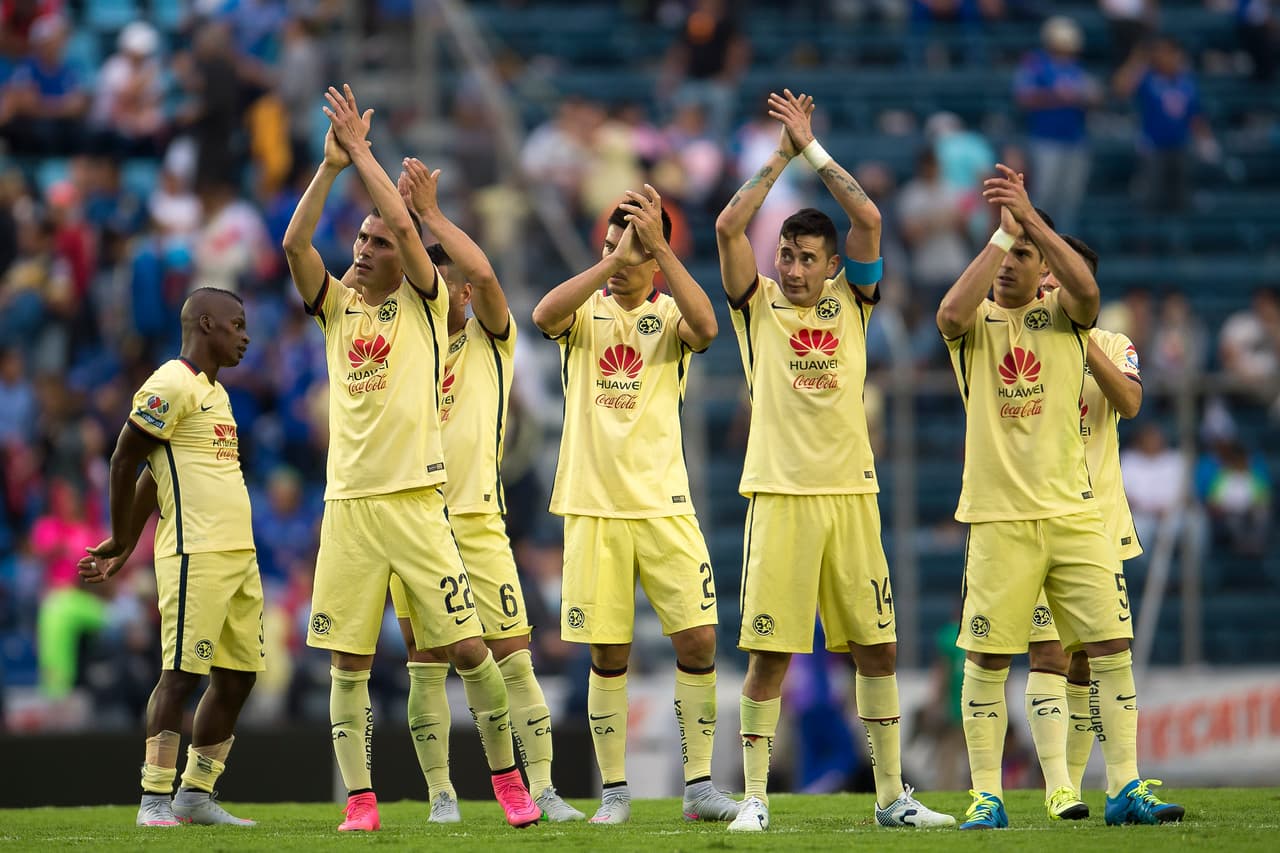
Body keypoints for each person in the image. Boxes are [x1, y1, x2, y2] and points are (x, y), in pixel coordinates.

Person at [281, 85, 538, 832]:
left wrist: (364, 154)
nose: (363, 250)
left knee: (469, 648)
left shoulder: (424, 307)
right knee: (348, 663)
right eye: (360, 241)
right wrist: (331, 167)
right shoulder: (338, 307)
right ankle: (361, 801)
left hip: (418, 503)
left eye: (378, 244)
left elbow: (403, 220)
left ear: (408, 259)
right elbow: (295, 247)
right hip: (348, 505)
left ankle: (508, 782)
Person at [712, 89, 953, 833]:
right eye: (785, 254)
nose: (791, 267)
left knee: (878, 649)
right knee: (770, 657)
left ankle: (891, 797)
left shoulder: (856, 299)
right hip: (781, 496)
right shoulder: (756, 305)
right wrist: (778, 158)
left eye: (806, 257)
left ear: (831, 264)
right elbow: (727, 226)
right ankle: (755, 796)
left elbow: (870, 219)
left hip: (851, 494)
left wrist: (812, 149)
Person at [935, 164, 1184, 829]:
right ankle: (987, 795)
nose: (1010, 264)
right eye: (1005, 253)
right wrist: (1003, 234)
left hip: (1077, 511)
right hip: (998, 518)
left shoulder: (1071, 319)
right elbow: (947, 313)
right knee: (990, 658)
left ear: (1045, 264)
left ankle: (1124, 787)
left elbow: (1089, 294)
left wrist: (1030, 220)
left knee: (1110, 647)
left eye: (1024, 255)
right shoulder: (976, 322)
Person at [383, 158, 583, 824]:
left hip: (478, 519)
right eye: (435, 280)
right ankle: (441, 794)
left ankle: (543, 788)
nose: (449, 292)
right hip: (415, 520)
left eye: (455, 281)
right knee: (425, 661)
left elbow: (491, 277)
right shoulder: (404, 345)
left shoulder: (492, 341)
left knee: (514, 659)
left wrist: (431, 215)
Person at [532, 184, 734, 825]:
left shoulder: (671, 315)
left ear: (657, 258)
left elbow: (709, 328)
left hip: (664, 503)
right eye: (608, 246)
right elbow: (541, 315)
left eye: (632, 250)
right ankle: (615, 793)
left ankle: (699, 787)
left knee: (698, 640)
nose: (618, 260)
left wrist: (660, 250)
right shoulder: (583, 312)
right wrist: (615, 259)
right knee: (607, 654)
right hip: (593, 505)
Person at [77, 286, 261, 828]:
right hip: (194, 552)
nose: (245, 336)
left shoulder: (215, 393)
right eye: (236, 324)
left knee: (238, 677)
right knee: (180, 674)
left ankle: (195, 795)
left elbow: (154, 479)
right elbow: (124, 459)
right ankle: (154, 798)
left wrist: (126, 541)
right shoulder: (170, 383)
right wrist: (120, 539)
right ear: (205, 323)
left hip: (239, 555)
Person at [1021, 236, 1146, 819]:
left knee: (1093, 658)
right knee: (1048, 653)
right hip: (1036, 516)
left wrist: (1081, 337)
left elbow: (1130, 404)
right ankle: (1058, 788)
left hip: (1100, 521)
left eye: (1062, 280)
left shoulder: (1114, 344)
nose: (1050, 287)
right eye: (1046, 277)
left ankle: (1087, 784)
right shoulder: (1019, 339)